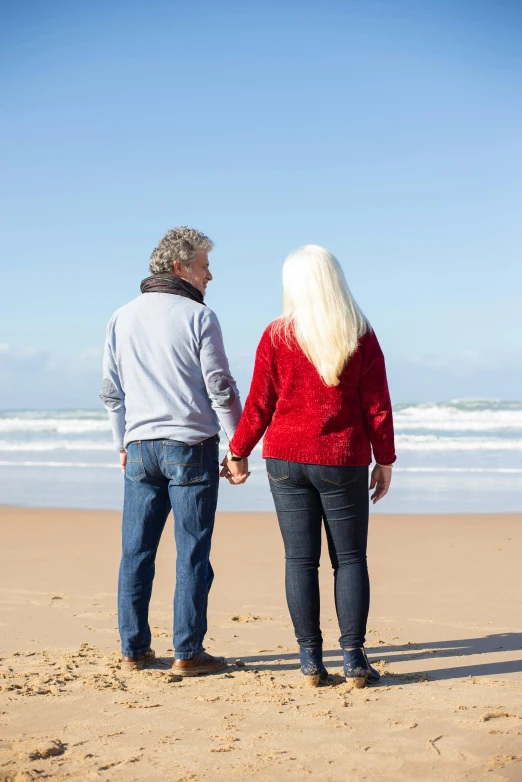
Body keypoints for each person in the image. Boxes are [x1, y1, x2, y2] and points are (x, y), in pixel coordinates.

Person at [224, 245, 395, 687]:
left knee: (300, 560)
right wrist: (386, 459)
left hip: (284, 459)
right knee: (350, 559)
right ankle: (354, 660)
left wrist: (238, 450)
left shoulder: (277, 334)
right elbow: (377, 405)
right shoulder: (359, 331)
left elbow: (261, 403)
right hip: (342, 460)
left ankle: (309, 661)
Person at [100, 226, 248, 676]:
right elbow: (220, 388)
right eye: (204, 266)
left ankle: (134, 650)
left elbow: (111, 391)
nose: (210, 276)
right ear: (180, 267)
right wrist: (239, 444)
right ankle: (187, 651)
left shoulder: (120, 316)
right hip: (190, 446)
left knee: (136, 553)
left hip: (140, 448)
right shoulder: (199, 316)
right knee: (192, 552)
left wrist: (120, 440)